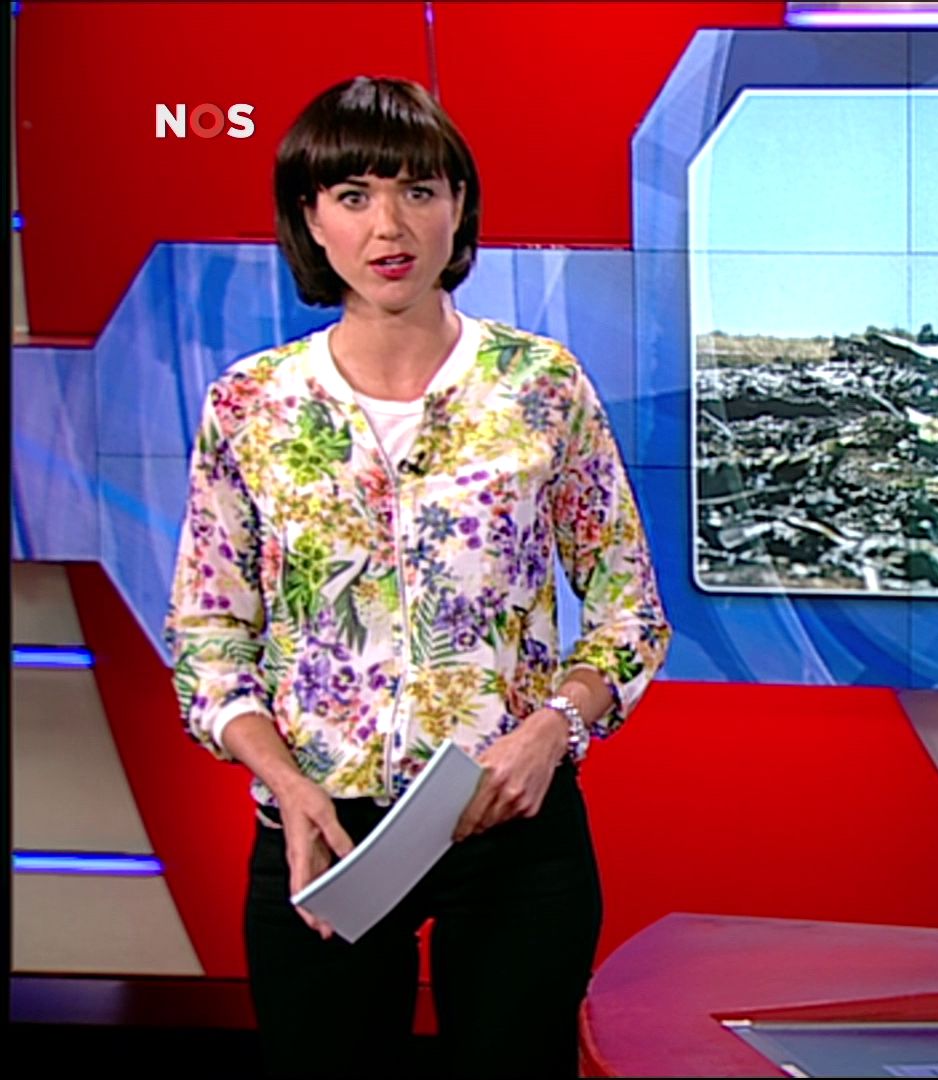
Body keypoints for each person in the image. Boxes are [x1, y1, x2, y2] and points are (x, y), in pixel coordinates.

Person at [163, 75, 670, 1078]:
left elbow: (630, 613)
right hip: (323, 833)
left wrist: (553, 730)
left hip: (512, 824)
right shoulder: (251, 405)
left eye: (418, 190)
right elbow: (208, 643)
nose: (389, 226)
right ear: (311, 218)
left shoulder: (541, 387)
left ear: (459, 206)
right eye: (353, 195)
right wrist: (283, 784)